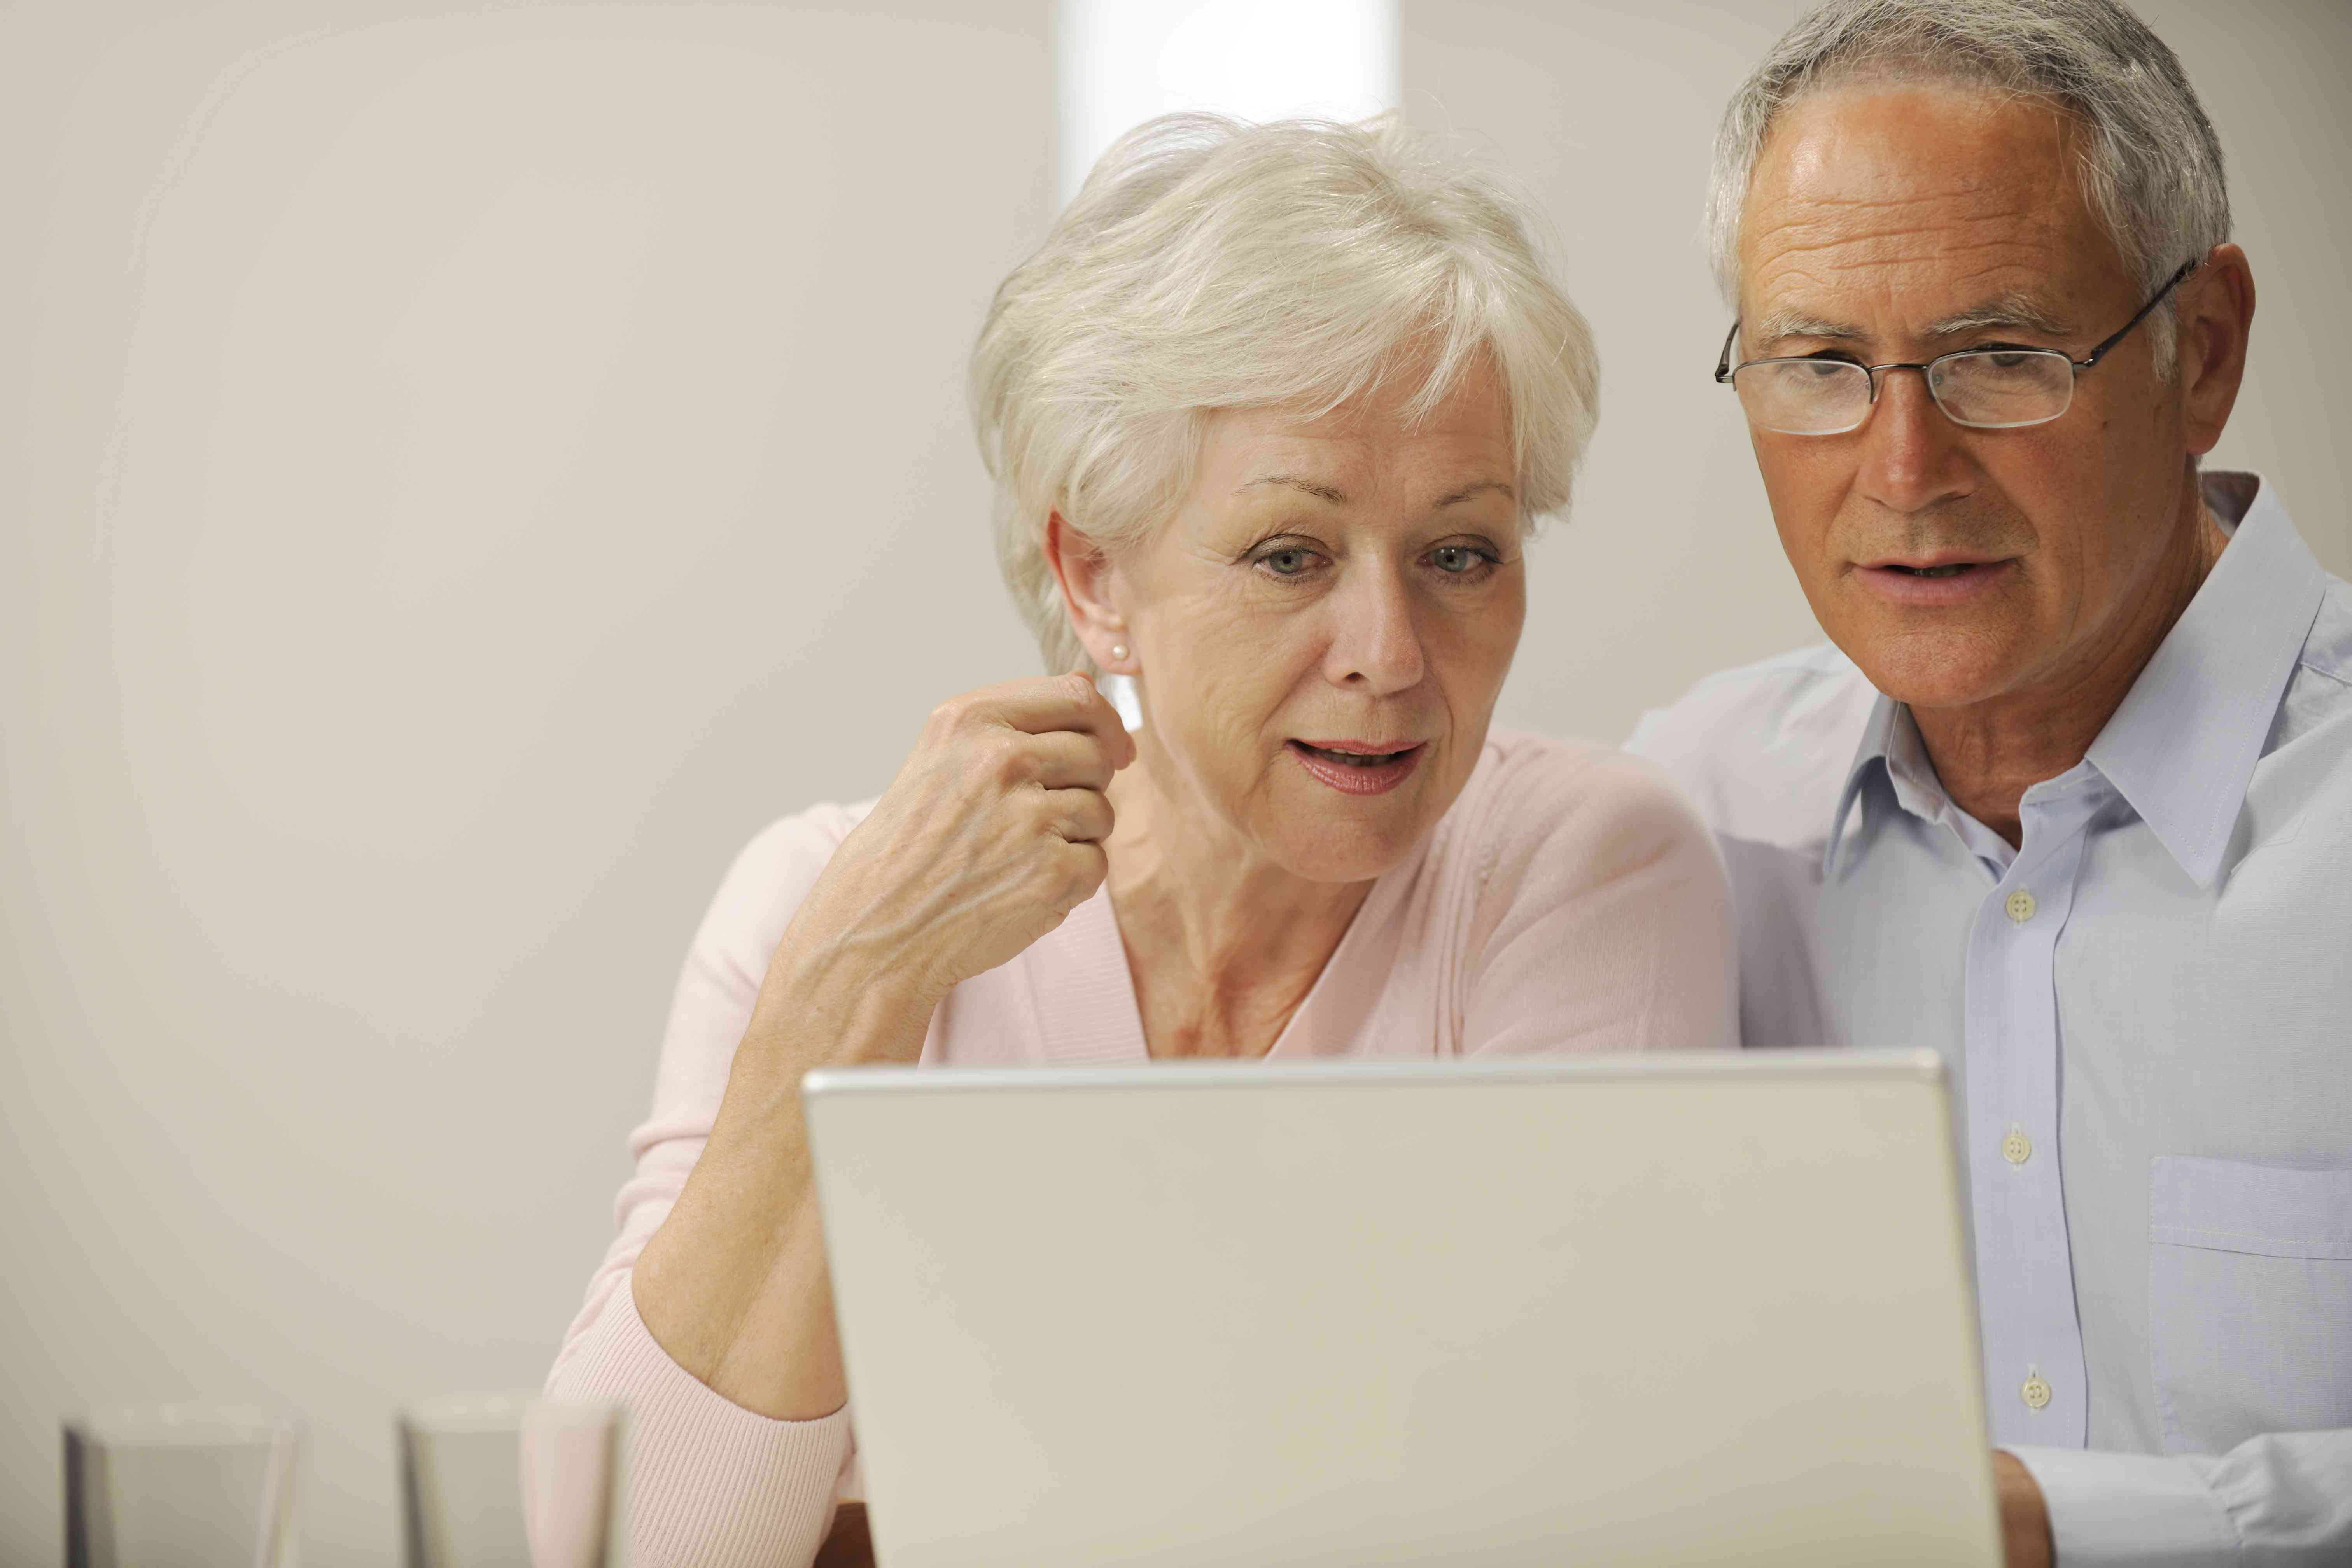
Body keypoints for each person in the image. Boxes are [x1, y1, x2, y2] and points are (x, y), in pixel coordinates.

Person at [549, 114, 1738, 1566]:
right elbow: (606, 1543)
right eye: (1291, 554)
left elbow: (1552, 1509)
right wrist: (852, 990)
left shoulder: (1580, 867)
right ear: (1093, 576)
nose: (1390, 652)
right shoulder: (825, 897)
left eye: (1461, 555)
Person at [1629, 2, 2352, 1563]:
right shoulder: (1680, 821)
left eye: (2000, 357)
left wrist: (2056, 1527)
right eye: (1818, 361)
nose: (1903, 470)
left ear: (2202, 352)